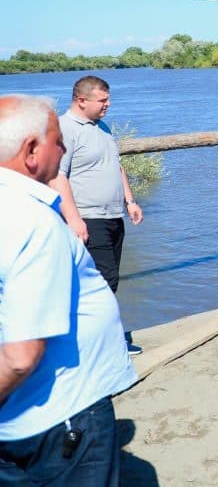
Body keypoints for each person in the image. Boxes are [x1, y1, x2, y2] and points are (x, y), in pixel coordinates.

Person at [0, 94, 137, 485]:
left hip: (27, 416)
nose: (62, 151)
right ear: (31, 151)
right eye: (57, 142)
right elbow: (22, 356)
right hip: (63, 417)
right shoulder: (32, 222)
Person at [49, 76, 145, 355]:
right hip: (88, 218)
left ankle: (99, 338)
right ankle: (97, 343)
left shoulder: (102, 127)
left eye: (108, 99)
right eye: (102, 100)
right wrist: (74, 219)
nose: (108, 104)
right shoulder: (64, 129)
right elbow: (57, 176)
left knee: (109, 280)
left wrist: (130, 201)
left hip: (114, 215)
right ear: (82, 100)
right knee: (103, 281)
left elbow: (116, 166)